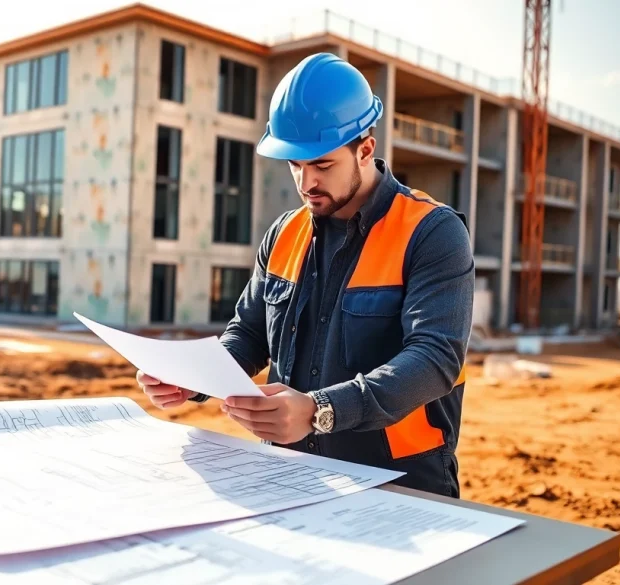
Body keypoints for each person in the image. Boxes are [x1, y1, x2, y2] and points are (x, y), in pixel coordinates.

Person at [137, 52, 474, 498]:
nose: (305, 182)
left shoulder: (432, 232)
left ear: (365, 150)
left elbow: (435, 359)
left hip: (400, 481)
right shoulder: (284, 232)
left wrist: (320, 410)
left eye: (322, 165)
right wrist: (193, 378)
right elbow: (250, 334)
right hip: (288, 471)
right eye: (295, 164)